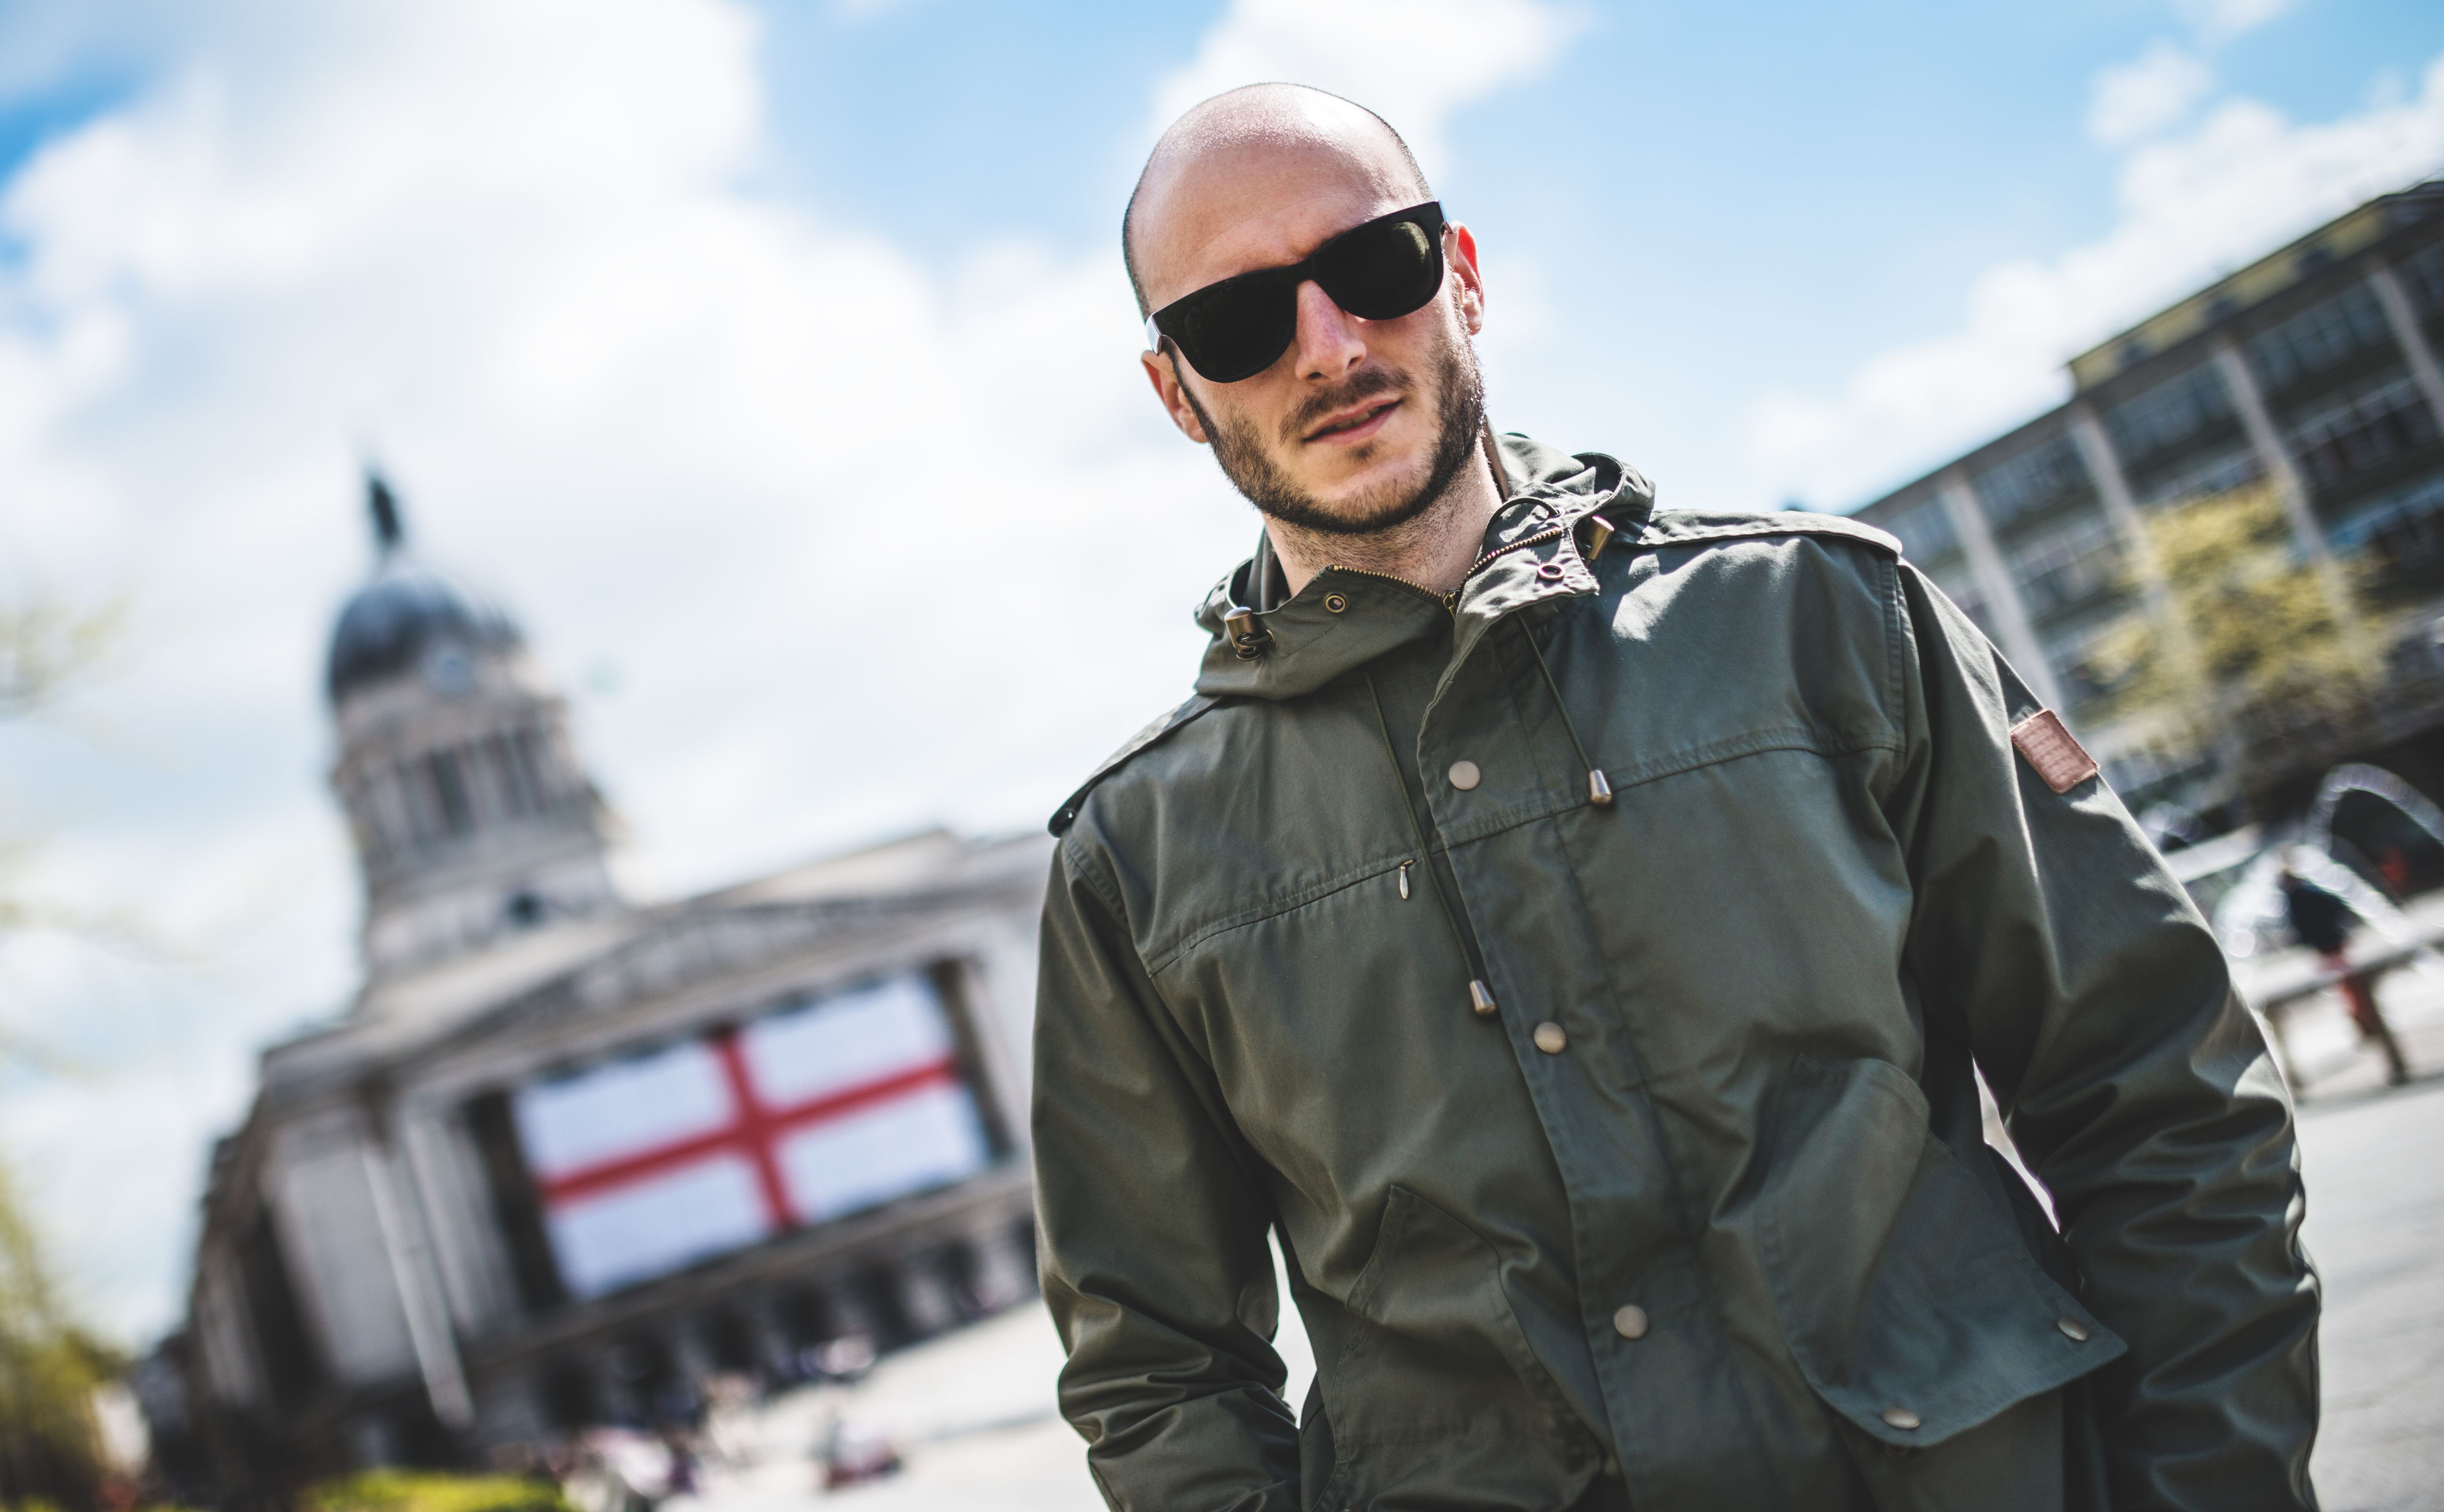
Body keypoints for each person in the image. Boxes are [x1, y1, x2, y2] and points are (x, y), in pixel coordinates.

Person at [1031, 83, 2319, 1512]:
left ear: (1460, 275)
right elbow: (1158, 1376)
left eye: (1373, 266)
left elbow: (2158, 1096)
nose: (1326, 346)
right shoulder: (1132, 864)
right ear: (1175, 391)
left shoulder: (1824, 620)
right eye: (1237, 322)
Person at [2275, 846, 2410, 1087]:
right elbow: (2333, 905)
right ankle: (2366, 1022)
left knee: (2348, 986)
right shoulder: (2307, 891)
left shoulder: (2297, 896)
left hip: (2325, 945)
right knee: (2350, 986)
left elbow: (2302, 923)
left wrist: (2306, 939)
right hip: (2332, 942)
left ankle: (2366, 1023)